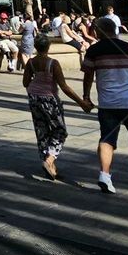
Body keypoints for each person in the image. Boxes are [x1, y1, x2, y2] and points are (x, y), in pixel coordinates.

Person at [82, 16, 128, 193]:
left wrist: (86, 96)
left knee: (107, 139)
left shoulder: (94, 51)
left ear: (99, 31)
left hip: (107, 103)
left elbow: (88, 76)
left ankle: (105, 175)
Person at [23, 34, 91, 179]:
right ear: (48, 47)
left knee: (42, 130)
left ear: (35, 47)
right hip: (50, 99)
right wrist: (81, 103)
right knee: (60, 131)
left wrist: (37, 81)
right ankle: (50, 159)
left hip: (34, 98)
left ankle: (49, 164)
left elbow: (25, 82)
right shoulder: (53, 63)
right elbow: (64, 86)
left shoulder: (31, 63)